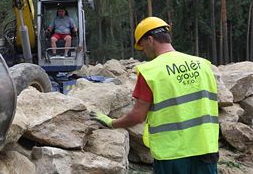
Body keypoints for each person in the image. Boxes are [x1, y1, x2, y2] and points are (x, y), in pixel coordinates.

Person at [90, 17, 219, 174]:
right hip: (206, 148)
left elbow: (137, 116)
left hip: (172, 153)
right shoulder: (203, 64)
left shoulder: (151, 71)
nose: (143, 51)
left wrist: (112, 122)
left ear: (150, 40)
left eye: (142, 46)